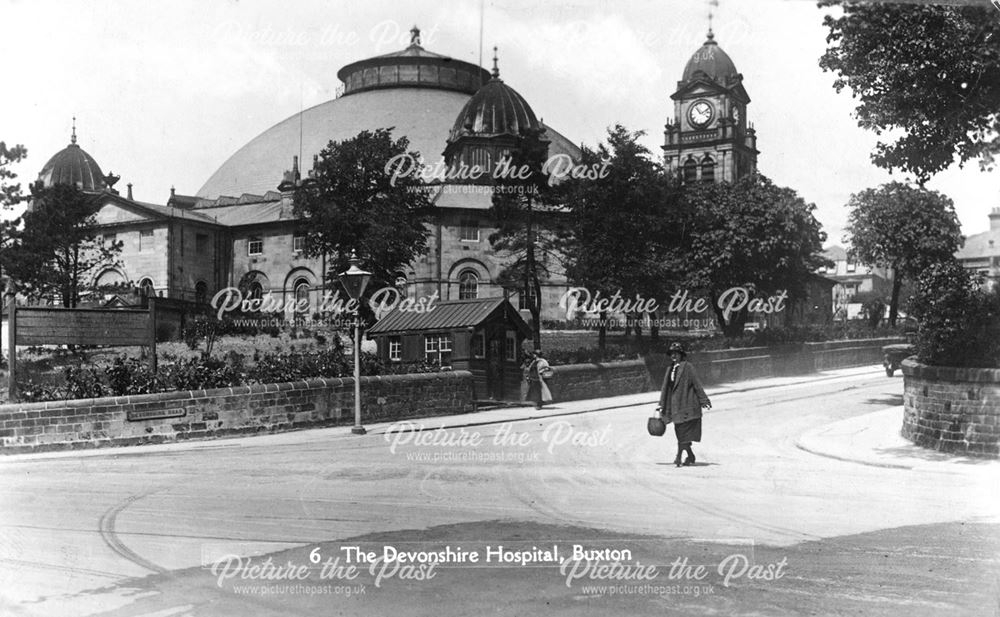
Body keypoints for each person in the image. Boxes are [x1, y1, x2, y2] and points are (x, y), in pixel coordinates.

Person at [657, 342, 711, 467]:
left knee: (683, 433)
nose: (674, 356)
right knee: (680, 432)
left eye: (676, 354)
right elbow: (665, 388)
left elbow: (697, 384)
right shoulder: (669, 369)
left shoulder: (688, 367)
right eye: (672, 354)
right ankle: (690, 455)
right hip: (675, 406)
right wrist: (661, 404)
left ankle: (678, 457)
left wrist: (704, 401)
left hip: (687, 405)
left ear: (681, 355)